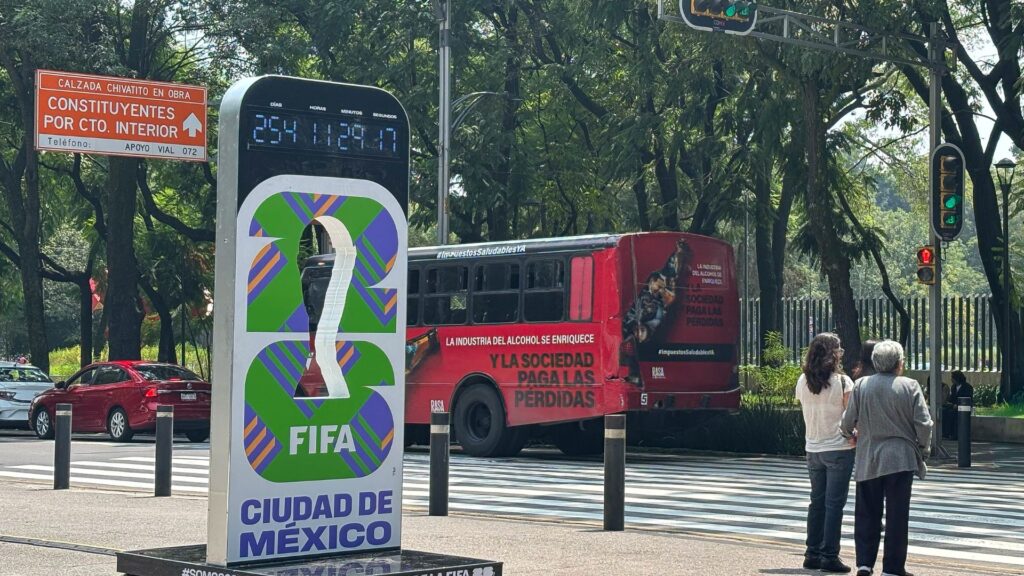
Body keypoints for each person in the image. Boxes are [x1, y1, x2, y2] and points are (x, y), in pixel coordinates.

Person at [840, 340, 933, 576]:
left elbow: (846, 421)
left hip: (868, 457)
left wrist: (849, 435)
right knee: (897, 516)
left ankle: (864, 564)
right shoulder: (910, 386)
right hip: (900, 459)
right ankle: (892, 568)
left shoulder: (861, 385)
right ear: (899, 363)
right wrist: (923, 449)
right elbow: (924, 423)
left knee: (867, 512)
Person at [795, 332, 855, 573]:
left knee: (816, 503)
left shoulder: (803, 380)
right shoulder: (842, 382)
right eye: (839, 349)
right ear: (833, 353)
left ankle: (812, 552)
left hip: (813, 448)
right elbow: (851, 417)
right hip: (839, 448)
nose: (841, 353)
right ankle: (830, 555)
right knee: (834, 505)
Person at [941, 370, 974, 440]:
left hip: (964, 408)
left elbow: (968, 399)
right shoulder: (953, 387)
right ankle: (945, 433)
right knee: (944, 411)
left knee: (952, 414)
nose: (951, 379)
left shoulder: (967, 387)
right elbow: (952, 398)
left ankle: (954, 435)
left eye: (952, 378)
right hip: (954, 406)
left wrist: (957, 405)